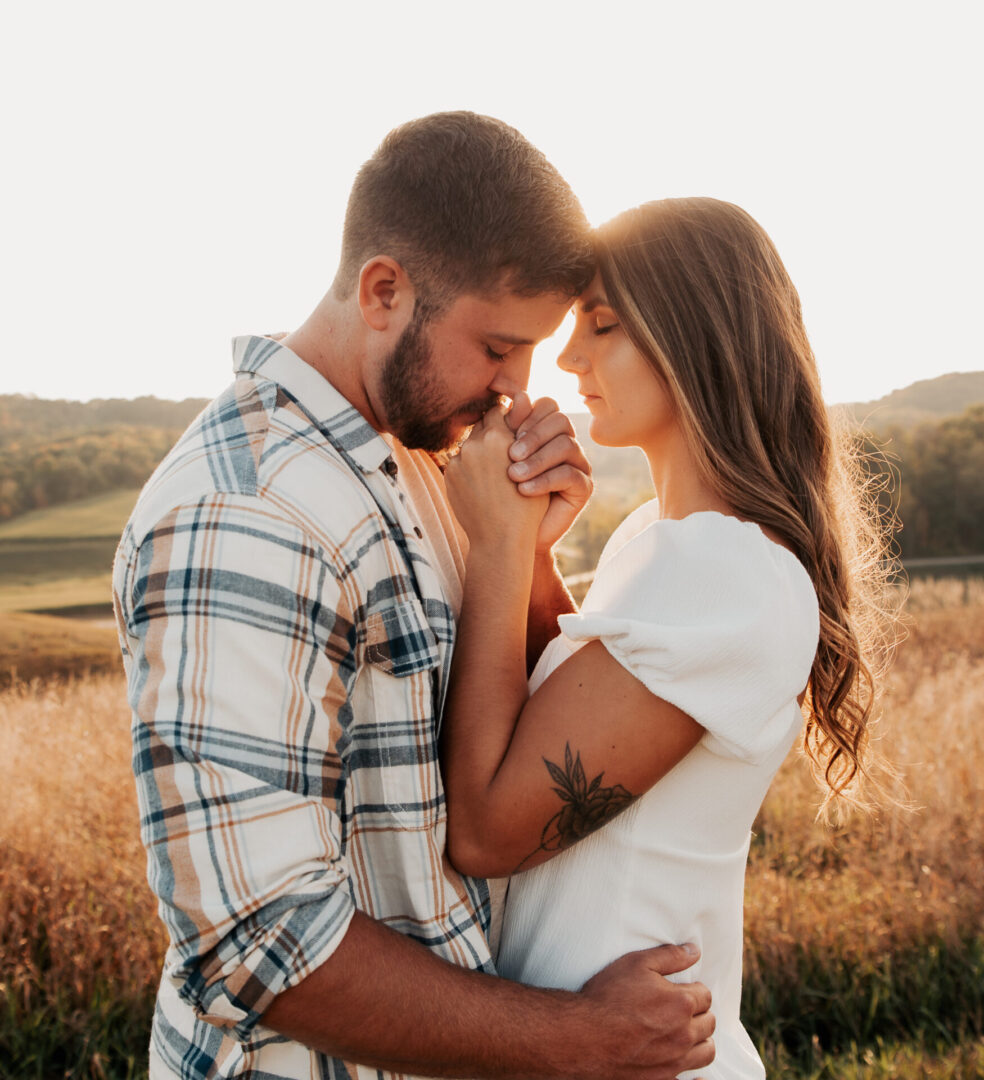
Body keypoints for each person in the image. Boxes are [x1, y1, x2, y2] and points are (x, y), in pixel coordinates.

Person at [112, 113, 716, 1080]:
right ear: (384, 289)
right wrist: (578, 1041)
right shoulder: (245, 513)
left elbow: (520, 746)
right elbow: (261, 937)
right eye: (496, 346)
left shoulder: (420, 454)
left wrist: (521, 557)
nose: (517, 390)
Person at [441, 197, 892, 1080]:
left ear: (694, 339)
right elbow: (564, 714)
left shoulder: (721, 570)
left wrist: (494, 548)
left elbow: (491, 831)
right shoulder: (663, 540)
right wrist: (535, 557)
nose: (567, 357)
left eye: (601, 325)